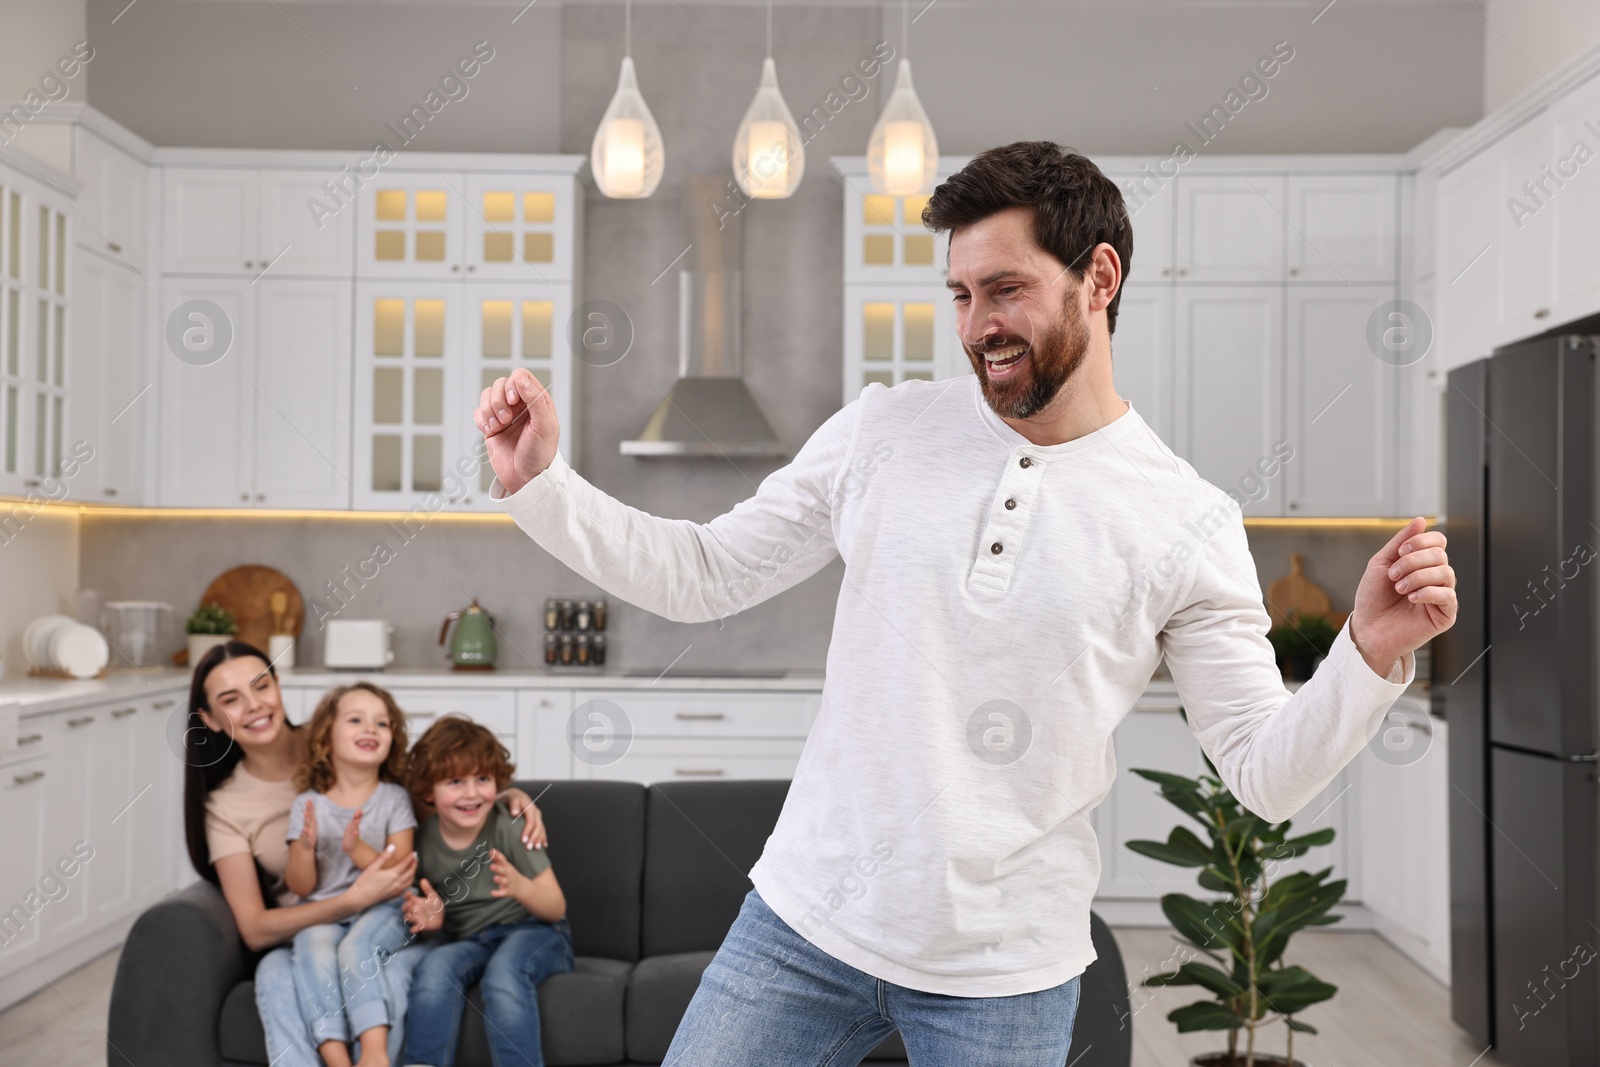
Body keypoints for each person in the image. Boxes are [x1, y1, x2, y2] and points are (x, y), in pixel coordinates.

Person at [472, 141, 1457, 1066]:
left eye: (1006, 288)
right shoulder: (884, 430)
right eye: (960, 292)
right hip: (805, 923)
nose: (977, 322)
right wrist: (542, 485)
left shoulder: (1185, 520)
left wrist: (1367, 650)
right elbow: (703, 572)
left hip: (1002, 974)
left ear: (1099, 278)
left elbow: (1261, 770)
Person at [182, 641, 551, 1067]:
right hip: (307, 928)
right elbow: (255, 929)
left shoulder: (348, 741)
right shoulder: (225, 807)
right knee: (274, 976)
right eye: (230, 699)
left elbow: (449, 791)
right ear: (209, 719)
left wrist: (510, 795)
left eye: (261, 686)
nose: (253, 705)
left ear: (279, 687)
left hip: (387, 924)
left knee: (378, 966)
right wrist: (349, 899)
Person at [399, 715, 574, 1067]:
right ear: (429, 791)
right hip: (473, 940)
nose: (472, 793)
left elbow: (555, 907)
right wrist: (431, 920)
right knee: (434, 968)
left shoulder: (510, 823)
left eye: (483, 778)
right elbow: (428, 908)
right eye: (455, 781)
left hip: (536, 932)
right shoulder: (424, 839)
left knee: (504, 976)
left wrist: (520, 886)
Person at [283, 683, 418, 1067]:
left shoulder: (393, 798)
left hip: (384, 908)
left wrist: (357, 848)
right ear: (326, 736)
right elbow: (301, 886)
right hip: (326, 909)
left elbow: (402, 870)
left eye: (382, 723)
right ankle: (337, 1056)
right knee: (311, 947)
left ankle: (374, 1054)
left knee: (355, 949)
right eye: (356, 720)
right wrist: (305, 849)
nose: (370, 729)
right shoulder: (306, 804)